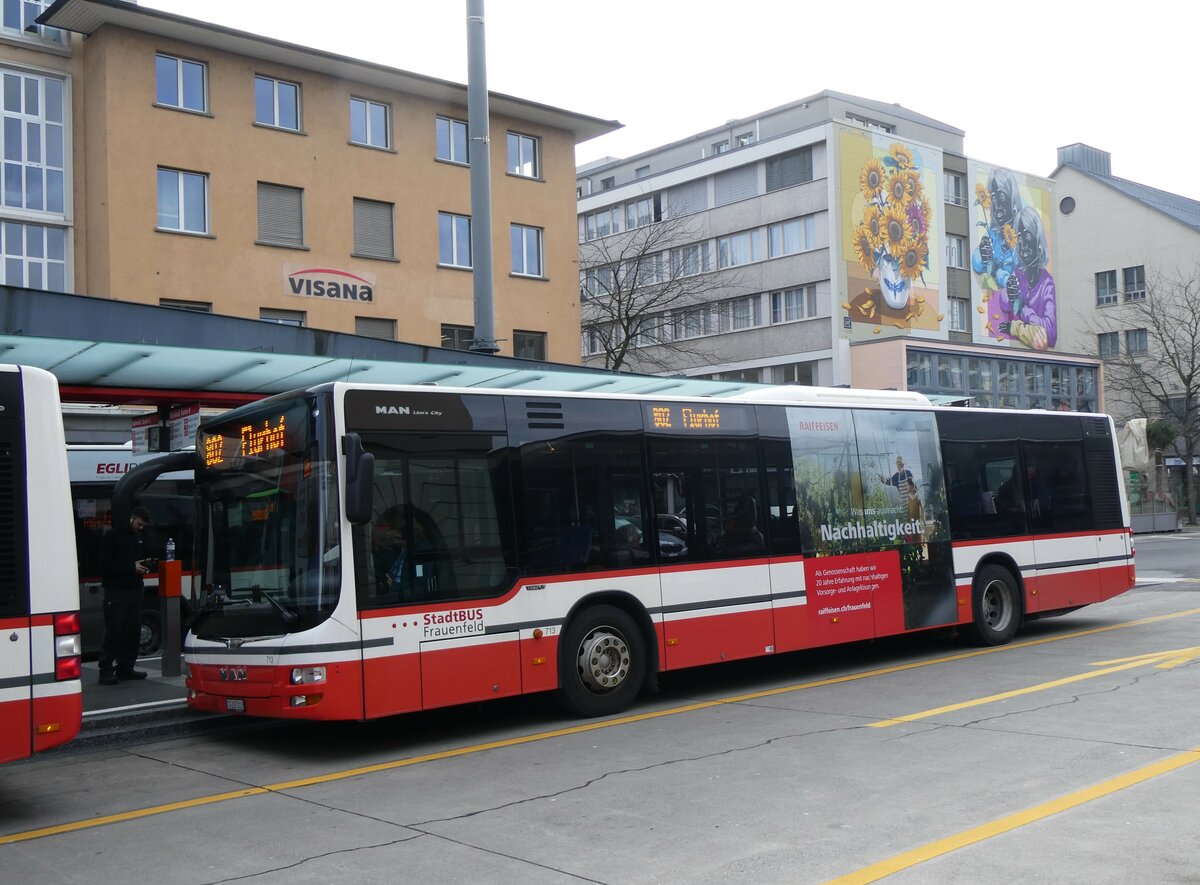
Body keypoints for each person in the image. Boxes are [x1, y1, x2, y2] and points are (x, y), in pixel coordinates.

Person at [99, 505, 151, 684]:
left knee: (132, 630)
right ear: (131, 518)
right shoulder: (112, 536)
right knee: (114, 630)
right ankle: (106, 669)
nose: (141, 527)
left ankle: (125, 667)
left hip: (134, 588)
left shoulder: (138, 537)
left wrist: (143, 566)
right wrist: (131, 567)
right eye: (140, 523)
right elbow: (105, 565)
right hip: (117, 590)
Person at [878, 455, 924, 522]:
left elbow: (914, 487)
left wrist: (917, 499)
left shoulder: (908, 473)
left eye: (900, 464)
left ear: (903, 465)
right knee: (907, 523)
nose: (898, 466)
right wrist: (882, 479)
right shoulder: (896, 476)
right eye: (897, 465)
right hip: (904, 505)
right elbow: (888, 481)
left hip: (912, 502)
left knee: (915, 522)